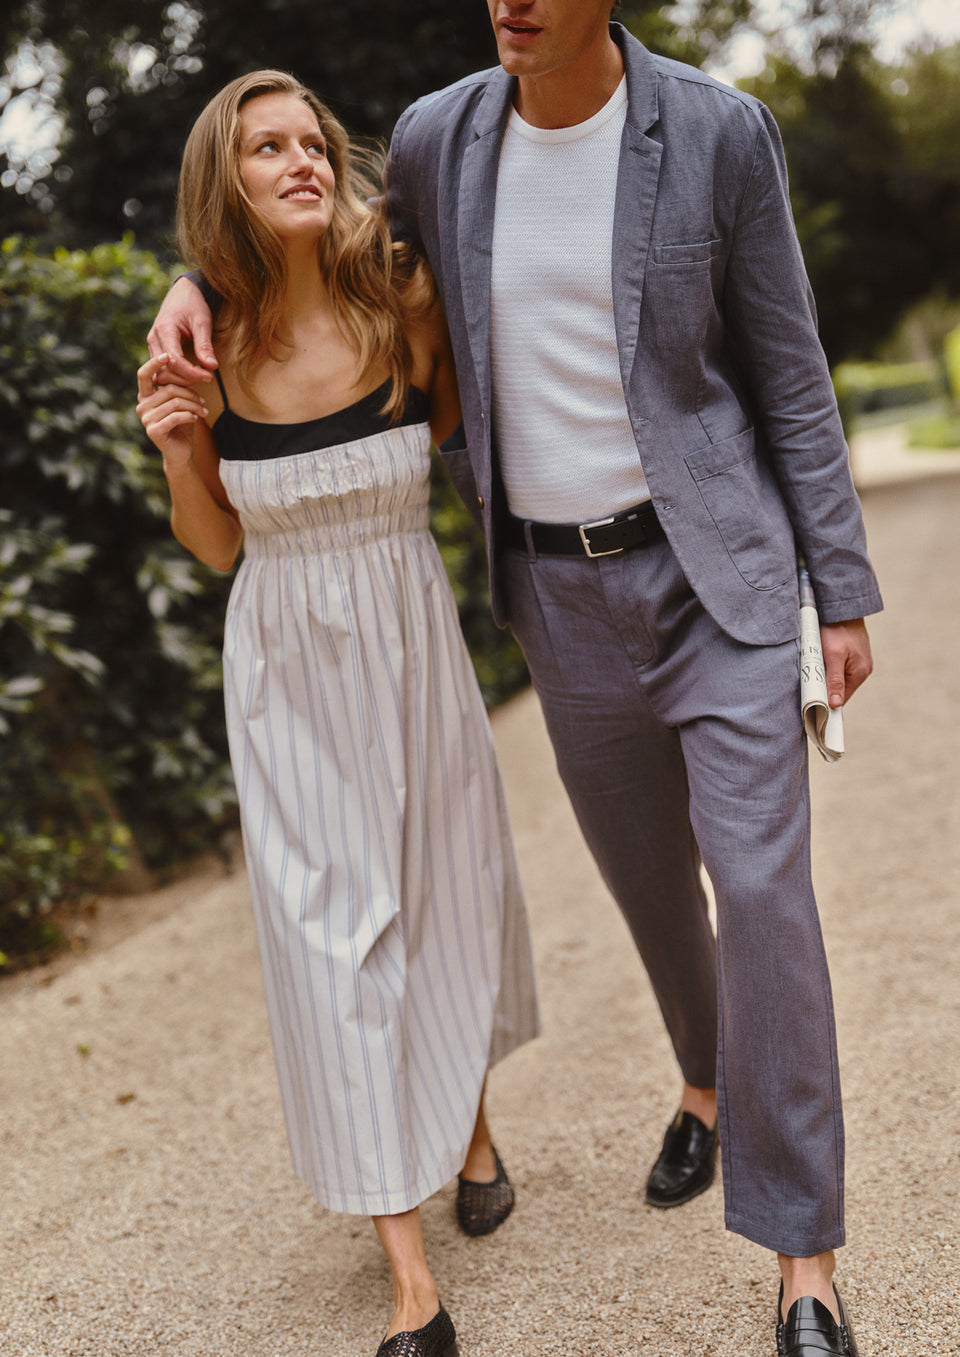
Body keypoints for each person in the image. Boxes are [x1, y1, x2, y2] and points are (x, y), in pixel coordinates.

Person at [147, 6, 881, 1353]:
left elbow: (789, 374)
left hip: (714, 566)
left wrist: (839, 584)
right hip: (555, 590)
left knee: (763, 890)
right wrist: (188, 287)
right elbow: (305, 242)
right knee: (647, 876)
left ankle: (806, 1264)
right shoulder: (440, 138)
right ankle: (707, 1081)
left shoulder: (716, 133)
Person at [136, 69, 540, 1357]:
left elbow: (460, 429)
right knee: (331, 938)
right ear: (227, 180)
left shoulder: (398, 308)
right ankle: (411, 1281)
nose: (303, 161)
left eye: (314, 142)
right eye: (268, 149)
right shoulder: (201, 349)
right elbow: (212, 548)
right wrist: (175, 452)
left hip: (410, 635)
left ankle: (468, 1126)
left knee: (436, 891)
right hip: (286, 669)